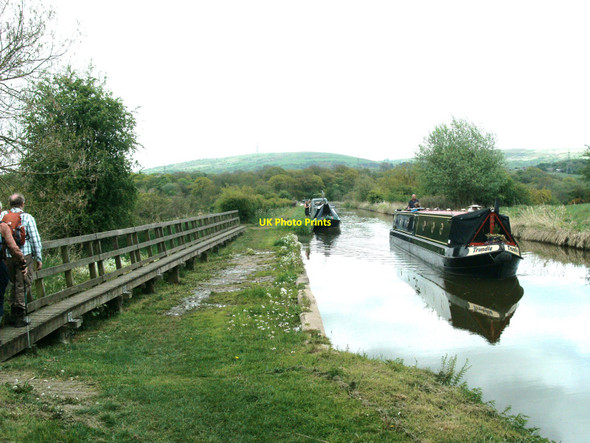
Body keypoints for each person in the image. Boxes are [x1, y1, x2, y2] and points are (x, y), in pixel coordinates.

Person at [1, 193, 42, 328]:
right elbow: (35, 239)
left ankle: (11, 314)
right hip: (24, 255)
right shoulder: (27, 217)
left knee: (13, 283)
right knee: (23, 283)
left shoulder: (2, 217)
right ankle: (20, 317)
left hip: (8, 256)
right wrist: (38, 257)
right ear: (22, 204)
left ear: (10, 204)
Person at [0, 201, 27, 341]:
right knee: (4, 290)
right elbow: (13, 247)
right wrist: (23, 262)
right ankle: (15, 318)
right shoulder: (3, 226)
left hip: (4, 261)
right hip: (3, 263)